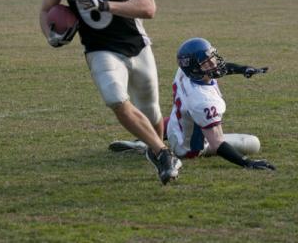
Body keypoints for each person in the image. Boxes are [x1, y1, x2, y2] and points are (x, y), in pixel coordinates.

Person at [39, 0, 181, 185]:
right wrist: (51, 35)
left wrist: (105, 5)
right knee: (116, 99)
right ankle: (163, 153)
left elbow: (148, 7)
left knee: (151, 109)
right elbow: (46, 10)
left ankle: (153, 145)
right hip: (98, 46)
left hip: (135, 44)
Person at [110, 38, 276, 171]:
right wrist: (247, 163)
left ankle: (147, 139)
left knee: (176, 117)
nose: (213, 64)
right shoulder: (204, 100)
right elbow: (216, 143)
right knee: (253, 143)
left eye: (212, 58)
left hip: (175, 123)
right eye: (207, 63)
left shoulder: (184, 71)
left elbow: (216, 68)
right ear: (196, 69)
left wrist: (243, 69)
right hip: (188, 148)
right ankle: (145, 146)